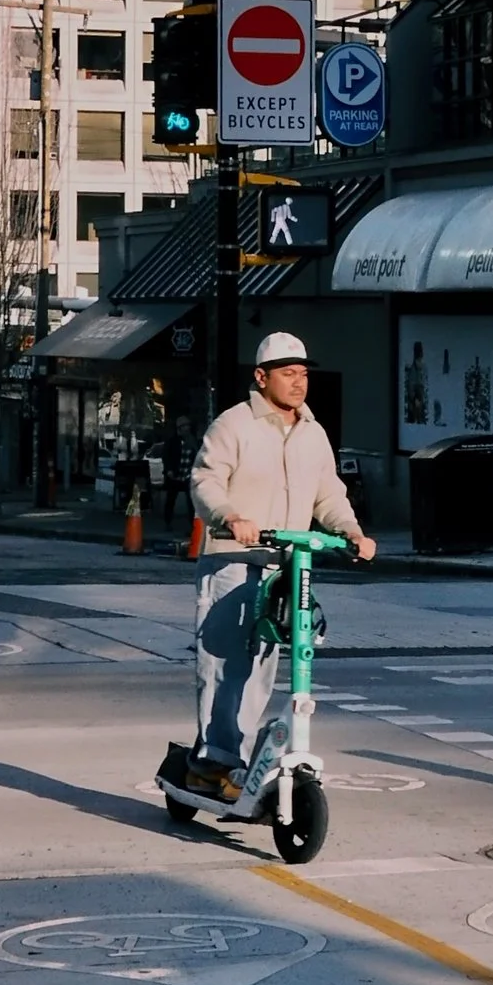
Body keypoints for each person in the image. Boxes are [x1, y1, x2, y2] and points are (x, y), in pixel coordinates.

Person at [182, 333, 377, 798]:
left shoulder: (313, 432)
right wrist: (230, 516)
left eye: (303, 374)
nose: (298, 382)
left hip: (285, 564)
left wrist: (352, 532)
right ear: (261, 377)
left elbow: (329, 494)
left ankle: (233, 758)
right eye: (288, 373)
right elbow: (205, 480)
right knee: (225, 662)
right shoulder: (234, 424)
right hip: (234, 558)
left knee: (260, 668)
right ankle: (213, 762)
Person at [153, 416, 190, 533]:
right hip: (174, 475)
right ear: (179, 428)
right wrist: (169, 470)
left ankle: (192, 525)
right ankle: (167, 522)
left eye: (188, 426)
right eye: (185, 426)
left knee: (191, 501)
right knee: (171, 500)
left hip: (187, 475)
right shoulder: (172, 441)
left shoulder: (191, 440)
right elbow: (166, 456)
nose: (187, 428)